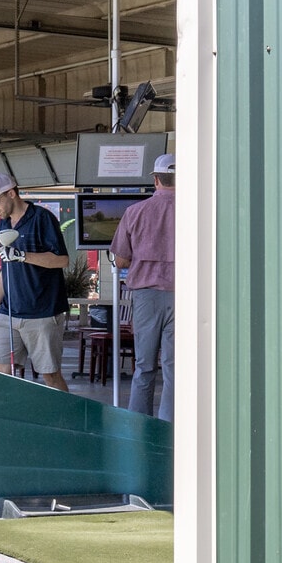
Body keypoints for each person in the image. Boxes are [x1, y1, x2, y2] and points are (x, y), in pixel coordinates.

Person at [0, 172, 71, 390]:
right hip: (8, 312)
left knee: (50, 375)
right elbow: (6, 271)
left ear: (11, 193)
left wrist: (22, 256)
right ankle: (8, 411)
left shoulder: (42, 218)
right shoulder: (3, 225)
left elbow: (62, 260)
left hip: (42, 311)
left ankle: (67, 412)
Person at [110, 153, 176, 421]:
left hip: (146, 297)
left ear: (156, 179)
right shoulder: (197, 211)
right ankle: (171, 426)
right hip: (183, 296)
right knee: (174, 368)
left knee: (144, 366)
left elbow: (121, 259)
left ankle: (139, 425)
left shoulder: (135, 212)